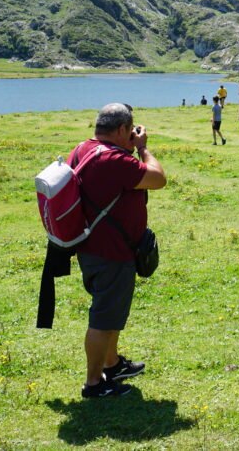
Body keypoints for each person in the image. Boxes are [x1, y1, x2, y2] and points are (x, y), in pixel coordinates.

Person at [68, 103, 166, 398]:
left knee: (111, 314)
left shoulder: (83, 148)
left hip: (93, 246)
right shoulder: (114, 159)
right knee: (102, 319)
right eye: (130, 130)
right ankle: (94, 384)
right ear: (123, 129)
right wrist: (144, 149)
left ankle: (112, 364)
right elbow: (158, 178)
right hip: (111, 252)